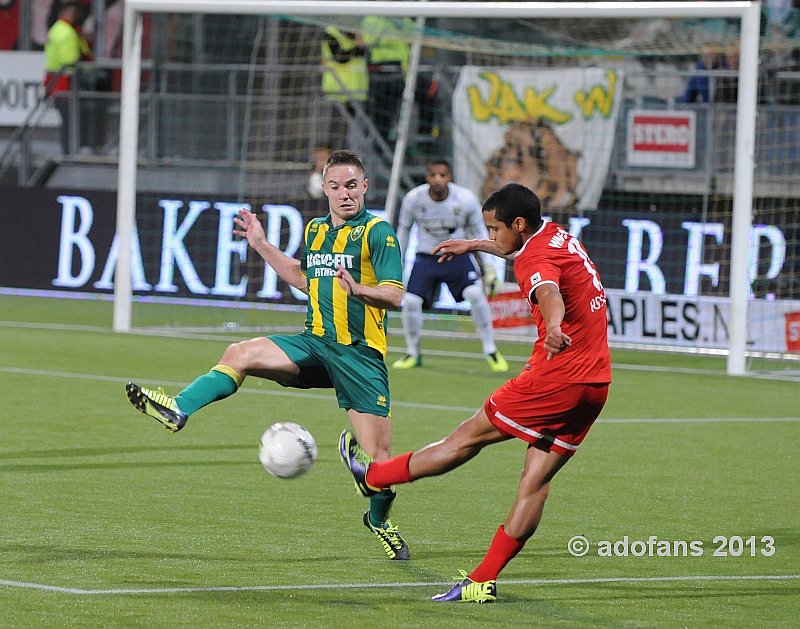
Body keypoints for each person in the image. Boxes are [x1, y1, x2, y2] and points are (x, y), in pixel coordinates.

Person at [125, 150, 412, 562]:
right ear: (325, 189)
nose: (344, 194)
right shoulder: (316, 230)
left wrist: (361, 290)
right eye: (336, 186)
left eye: (352, 185)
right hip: (314, 343)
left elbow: (395, 294)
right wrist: (260, 244)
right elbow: (302, 277)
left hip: (359, 356)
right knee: (239, 352)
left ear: (364, 186)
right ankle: (178, 409)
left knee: (380, 466)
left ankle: (379, 521)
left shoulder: (378, 233)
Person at [340, 183, 612, 602]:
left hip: (556, 377)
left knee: (465, 439)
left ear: (518, 224)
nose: (493, 235)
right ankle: (483, 581)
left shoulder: (536, 258)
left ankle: (374, 477)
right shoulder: (552, 234)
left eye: (494, 228)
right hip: (595, 384)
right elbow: (513, 249)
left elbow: (548, 293)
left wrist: (555, 327)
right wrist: (473, 244)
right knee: (535, 483)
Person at [393, 158, 509, 372]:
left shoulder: (465, 199)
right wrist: (396, 268)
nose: (438, 179)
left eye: (442, 175)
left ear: (450, 177)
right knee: (410, 301)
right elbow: (403, 231)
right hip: (426, 257)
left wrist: (490, 269)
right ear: (427, 177)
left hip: (457, 255)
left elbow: (479, 233)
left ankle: (490, 351)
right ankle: (412, 352)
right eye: (433, 175)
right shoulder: (413, 199)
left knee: (476, 295)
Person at [44, 0, 94, 154]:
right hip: (66, 84)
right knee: (72, 120)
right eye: (74, 12)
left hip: (58, 83)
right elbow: (71, 60)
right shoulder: (67, 32)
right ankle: (72, 150)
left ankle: (70, 150)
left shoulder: (59, 29)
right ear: (66, 13)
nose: (77, 15)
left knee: (69, 120)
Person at [320, 25, 368, 152]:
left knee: (355, 133)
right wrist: (357, 48)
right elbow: (340, 57)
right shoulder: (331, 34)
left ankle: (351, 161)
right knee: (337, 132)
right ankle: (334, 161)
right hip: (338, 91)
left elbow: (366, 52)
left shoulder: (357, 33)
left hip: (357, 92)